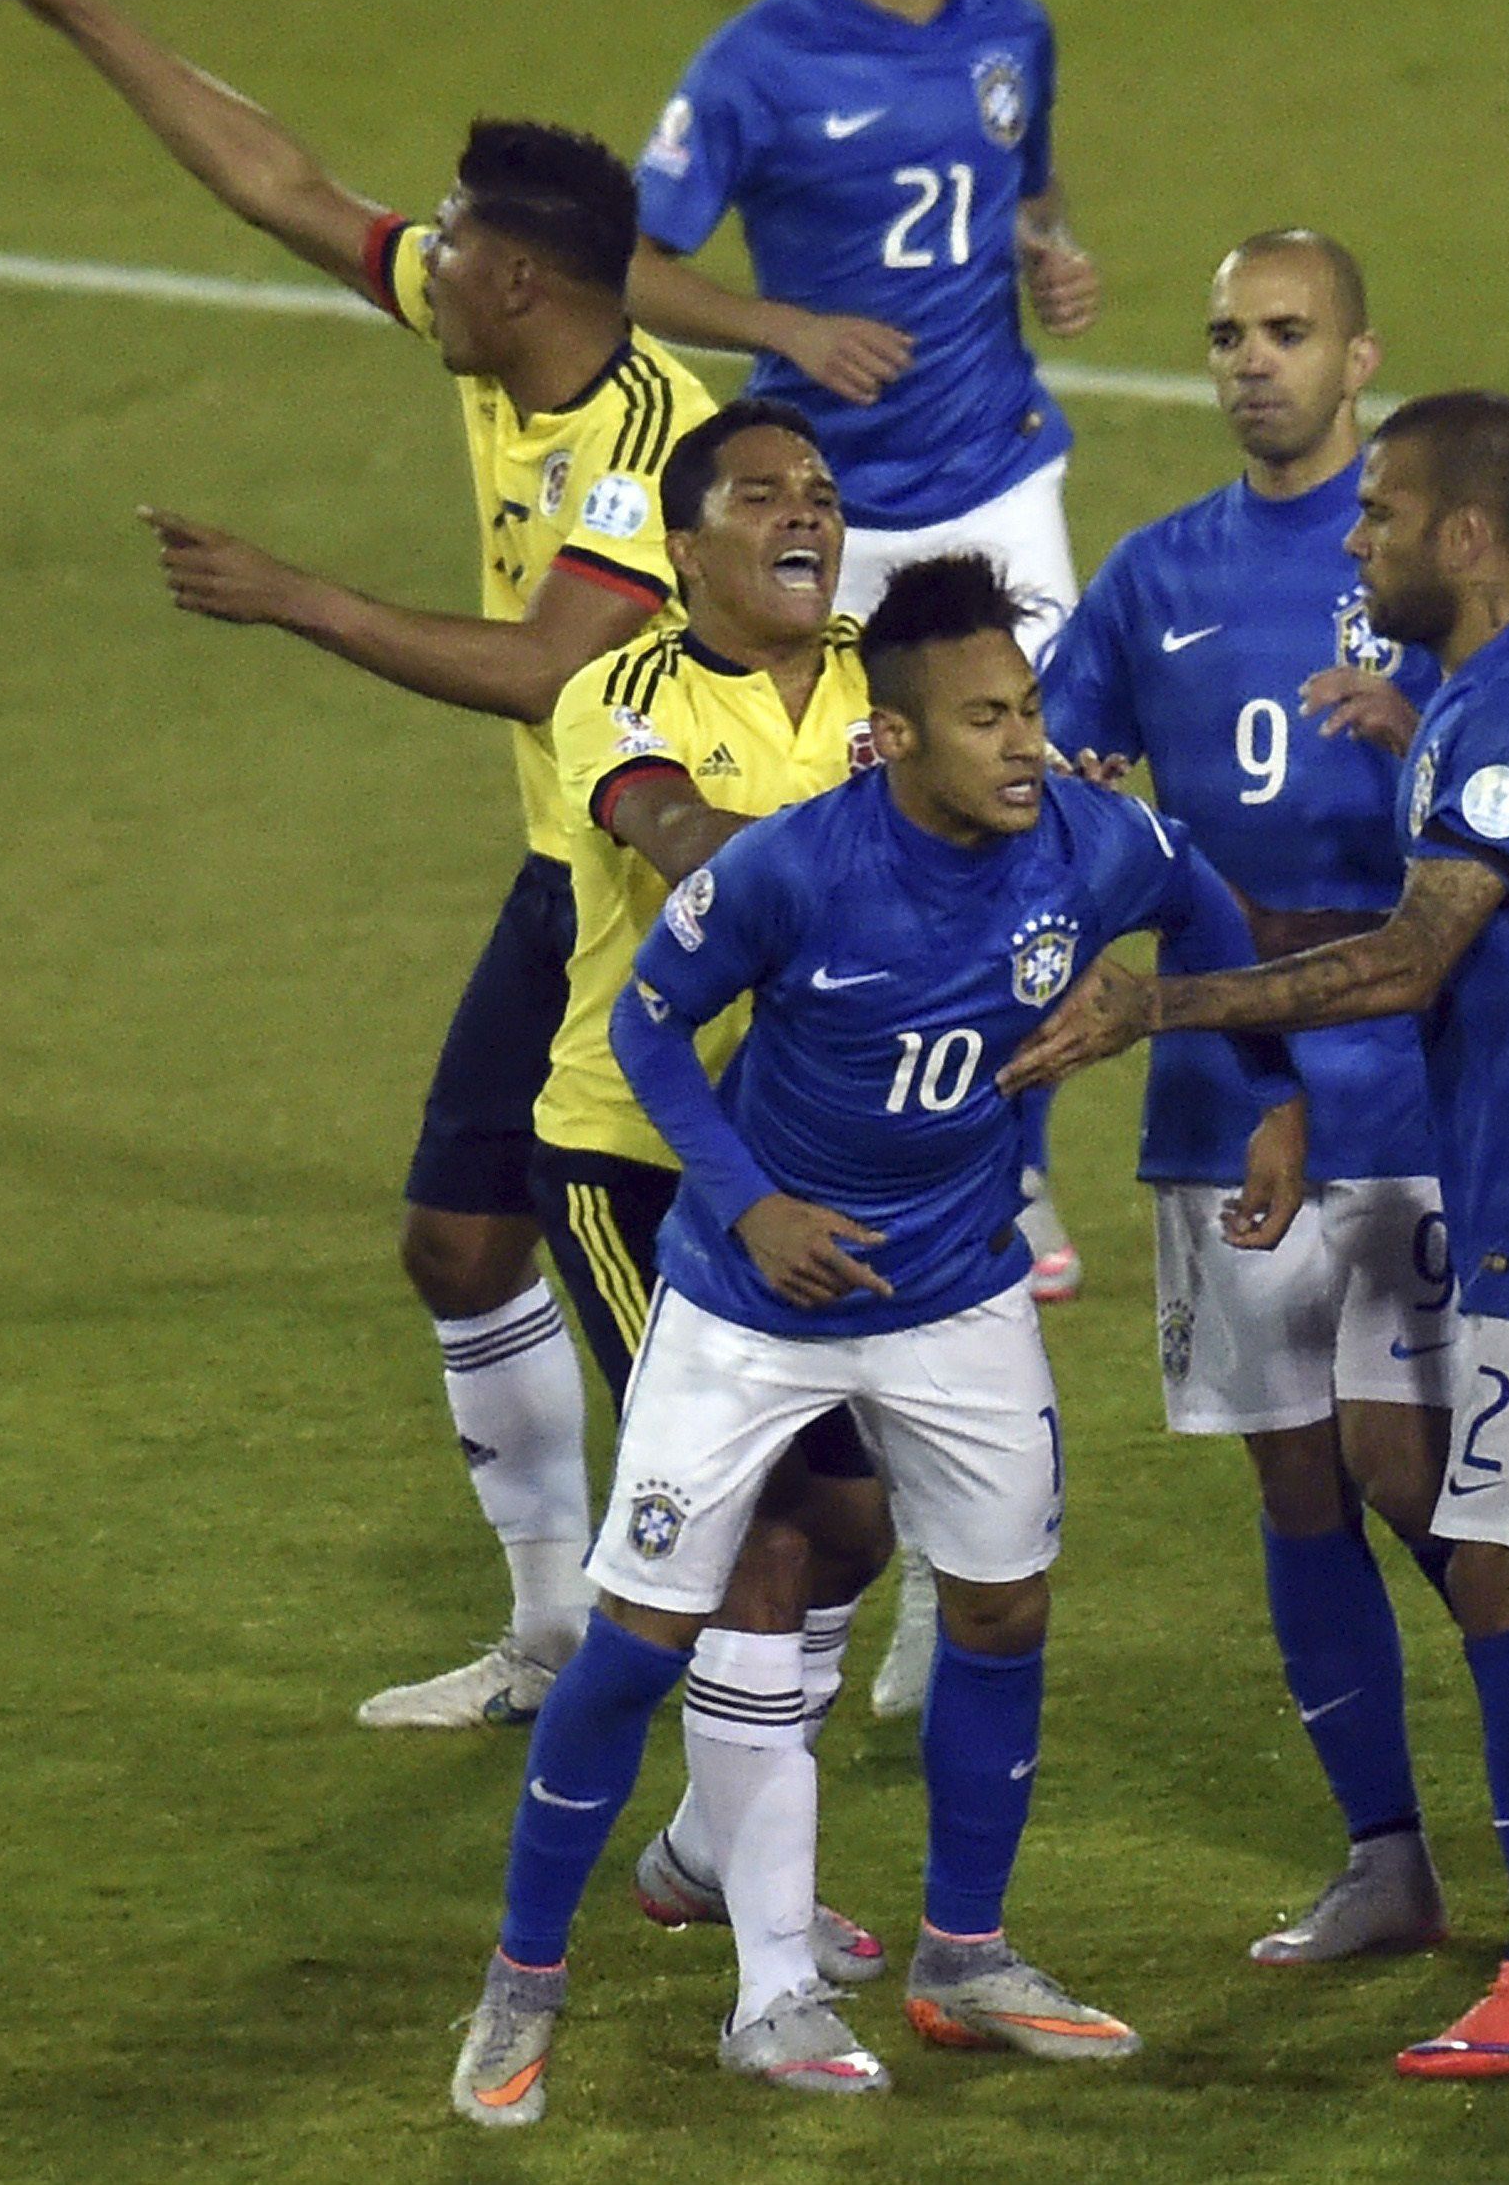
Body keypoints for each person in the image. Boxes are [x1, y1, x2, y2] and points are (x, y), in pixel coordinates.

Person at [0, 0, 717, 1727]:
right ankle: (550, 1632)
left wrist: (298, 596)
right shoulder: (506, 340)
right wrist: (70, 4)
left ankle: (815, 1604)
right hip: (562, 873)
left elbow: (548, 668)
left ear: (518, 281)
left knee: (699, 1302)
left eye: (448, 243)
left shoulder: (648, 442)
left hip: (674, 903)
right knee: (461, 1241)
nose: (421, 258)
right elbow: (284, 187)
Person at [449, 553, 1308, 2124]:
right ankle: (523, 1981)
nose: (1025, 745)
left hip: (956, 1296)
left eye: (1032, 710)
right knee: (641, 1635)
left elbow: (1203, 907)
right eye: (986, 720)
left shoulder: (1084, 840)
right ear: (896, 737)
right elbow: (649, 1021)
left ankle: (964, 1958)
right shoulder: (793, 869)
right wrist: (752, 1202)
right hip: (750, 1306)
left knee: (1001, 1608)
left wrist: (1268, 1089)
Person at [1004, 389, 1509, 2079]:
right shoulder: (1465, 701)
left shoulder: (1508, 715)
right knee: (1500, 1550)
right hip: (1507, 1190)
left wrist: (1168, 1003)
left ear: (1466, 535)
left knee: (1500, 1552)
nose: (1357, 540)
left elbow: (1403, 962)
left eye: (1383, 515)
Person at [626, 0, 1098, 1712]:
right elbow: (633, 266)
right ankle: (887, 1226)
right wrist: (786, 328)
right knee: (873, 907)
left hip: (999, 487)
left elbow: (1027, 185)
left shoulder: (1010, 30)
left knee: (1024, 833)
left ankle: (1012, 1183)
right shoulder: (752, 64)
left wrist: (1050, 259)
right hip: (846, 524)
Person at [1038, 230, 1456, 1964]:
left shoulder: (1426, 564)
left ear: (1360, 358)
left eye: (1287, 333)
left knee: (1425, 1474)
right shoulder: (1150, 578)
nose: (1250, 363)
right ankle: (1386, 1859)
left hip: (1413, 1074)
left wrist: (1413, 720)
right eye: (1225, 335)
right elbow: (1054, 756)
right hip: (1215, 1086)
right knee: (1295, 1477)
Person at [534, 392, 896, 2016]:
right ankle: (775, 1966)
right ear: (686, 552)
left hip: (810, 1172)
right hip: (639, 1166)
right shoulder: (621, 689)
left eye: (818, 490)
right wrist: (896, 854)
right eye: (761, 496)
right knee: (755, 1539)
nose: (803, 513)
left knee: (860, 1531)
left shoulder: (888, 671)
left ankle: (702, 1846)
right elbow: (679, 841)